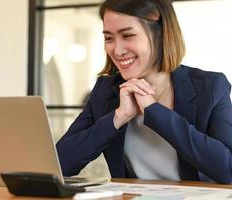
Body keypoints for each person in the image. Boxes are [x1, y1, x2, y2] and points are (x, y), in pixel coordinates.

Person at [56, 0, 232, 184]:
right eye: (109, 38)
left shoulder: (211, 86)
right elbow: (59, 165)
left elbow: (227, 170)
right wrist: (118, 118)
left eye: (128, 35)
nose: (117, 50)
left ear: (161, 34)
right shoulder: (105, 91)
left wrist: (154, 111)